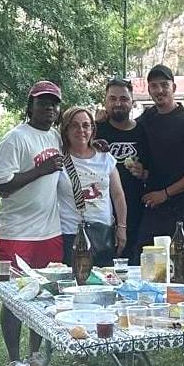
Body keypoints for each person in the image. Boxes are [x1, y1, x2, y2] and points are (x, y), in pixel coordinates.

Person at [0, 81, 65, 366]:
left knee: (44, 295)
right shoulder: (16, 138)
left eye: (53, 104)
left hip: (50, 231)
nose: (49, 108)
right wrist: (40, 170)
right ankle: (13, 360)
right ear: (30, 106)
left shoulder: (57, 137)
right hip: (16, 232)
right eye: (42, 103)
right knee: (14, 297)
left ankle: (35, 355)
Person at [136, 64, 184, 284]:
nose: (159, 90)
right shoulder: (147, 118)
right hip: (156, 208)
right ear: (149, 90)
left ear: (174, 87)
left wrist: (166, 193)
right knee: (152, 268)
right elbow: (125, 127)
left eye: (164, 85)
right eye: (154, 86)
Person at [57, 106, 127, 266]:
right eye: (74, 125)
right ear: (66, 130)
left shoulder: (104, 157)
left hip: (102, 232)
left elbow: (118, 195)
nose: (80, 130)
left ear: (92, 129)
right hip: (71, 233)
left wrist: (122, 227)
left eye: (86, 125)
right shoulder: (59, 158)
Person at [94, 78, 150, 263]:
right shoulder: (94, 130)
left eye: (124, 99)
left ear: (132, 102)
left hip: (136, 211)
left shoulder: (143, 131)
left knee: (130, 264)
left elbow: (153, 172)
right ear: (105, 102)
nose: (118, 103)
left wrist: (143, 173)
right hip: (100, 211)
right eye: (113, 98)